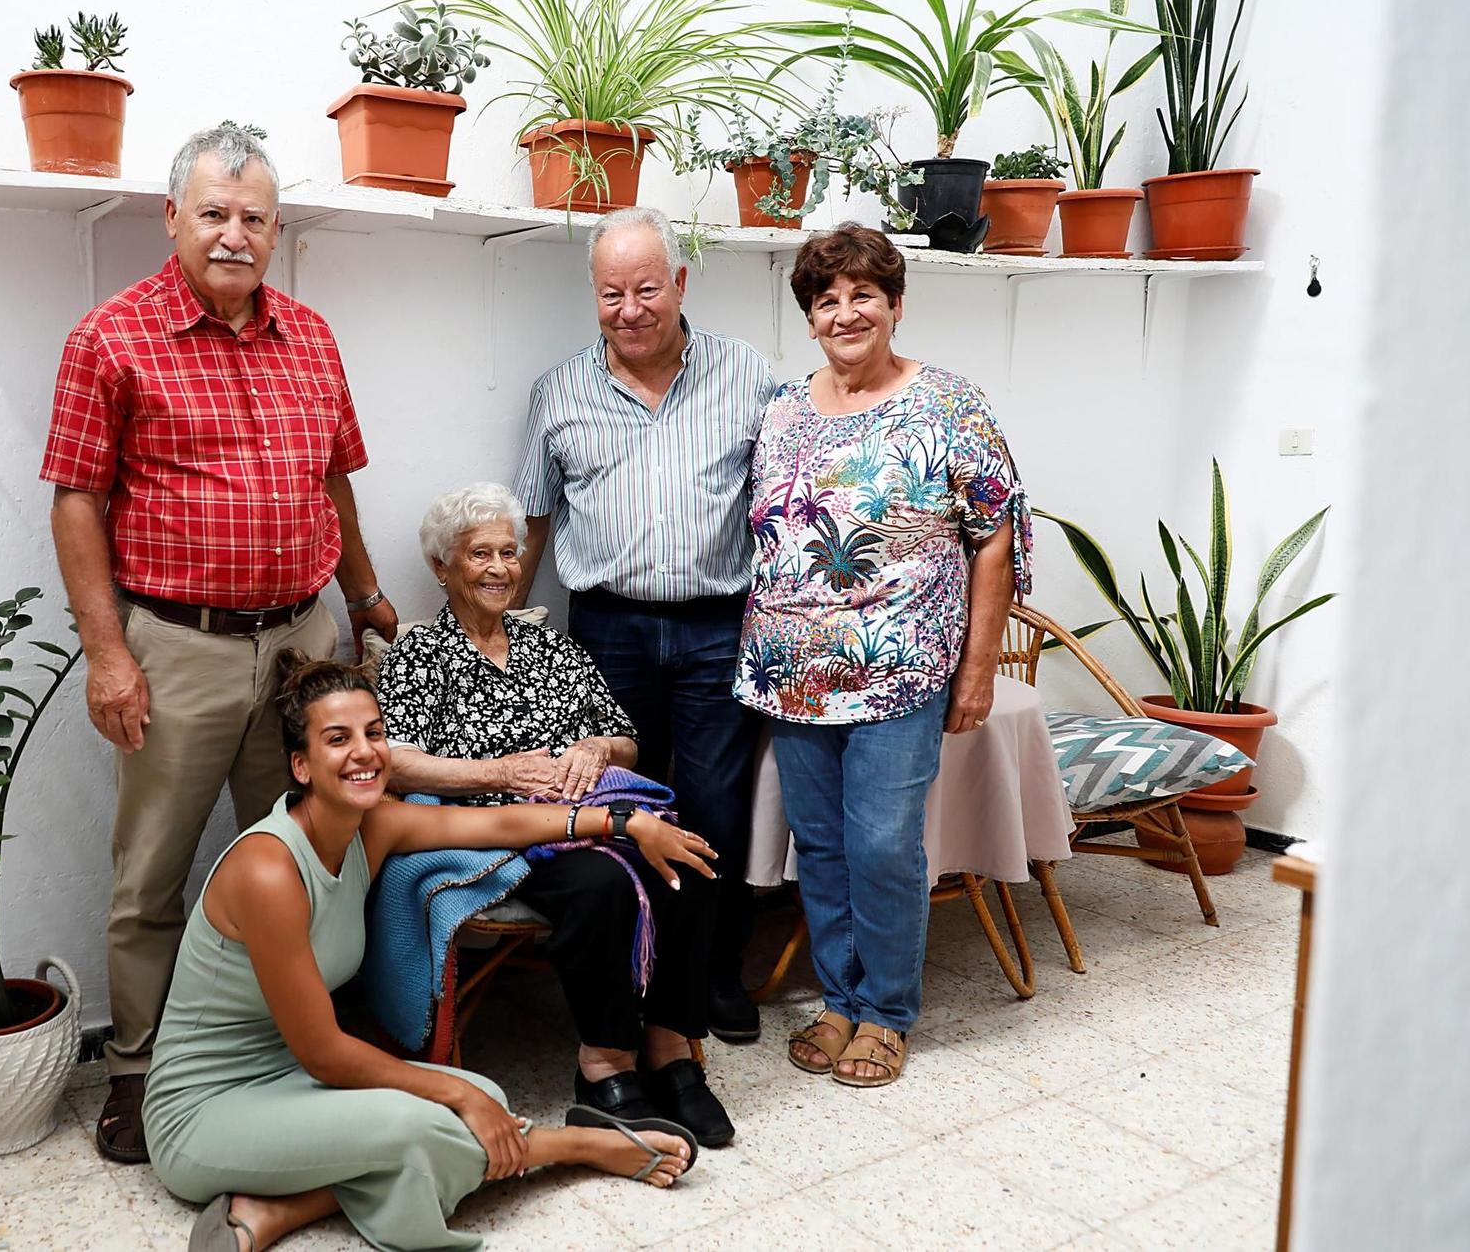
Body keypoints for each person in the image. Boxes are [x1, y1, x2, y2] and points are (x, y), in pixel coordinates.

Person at [41, 123, 400, 1163]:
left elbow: (334, 480)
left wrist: (366, 593)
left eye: (253, 218)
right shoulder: (108, 338)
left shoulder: (313, 337)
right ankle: (138, 1073)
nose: (234, 234)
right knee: (150, 877)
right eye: (213, 213)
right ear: (172, 218)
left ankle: (298, 1047)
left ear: (275, 229)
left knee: (308, 861)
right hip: (176, 647)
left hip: (303, 640)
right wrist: (108, 655)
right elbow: (76, 507)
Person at [145, 652, 716, 1251]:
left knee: (484, 1100)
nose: (364, 752)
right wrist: (458, 1092)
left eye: (375, 733)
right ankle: (573, 1146)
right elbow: (324, 1053)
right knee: (446, 1112)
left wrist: (622, 823)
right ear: (301, 765)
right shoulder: (267, 869)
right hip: (204, 1107)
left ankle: (277, 1209)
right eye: (337, 739)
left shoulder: (372, 827)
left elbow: (501, 828)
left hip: (286, 1077)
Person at [737, 223, 1031, 1087]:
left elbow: (994, 535)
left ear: (895, 305)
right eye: (826, 300)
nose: (845, 311)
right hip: (793, 673)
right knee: (820, 846)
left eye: (863, 293)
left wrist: (978, 667)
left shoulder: (948, 403)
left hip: (899, 669)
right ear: (811, 319)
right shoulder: (786, 410)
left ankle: (887, 1009)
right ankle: (839, 996)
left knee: (881, 844)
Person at [376, 482, 734, 1148]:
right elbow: (395, 761)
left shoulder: (551, 646)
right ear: (442, 566)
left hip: (592, 813)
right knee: (596, 887)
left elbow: (626, 737)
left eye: (509, 552)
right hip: (497, 832)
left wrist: (598, 747)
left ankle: (671, 1049)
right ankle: (604, 1065)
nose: (499, 567)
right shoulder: (419, 654)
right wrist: (501, 772)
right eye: (479, 553)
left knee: (693, 858)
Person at [510, 206, 777, 1045]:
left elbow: (790, 504)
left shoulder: (751, 376)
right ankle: (623, 977)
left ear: (682, 284)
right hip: (606, 632)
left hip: (715, 628)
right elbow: (533, 519)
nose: (630, 309)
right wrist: (508, 636)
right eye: (611, 293)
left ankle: (710, 976)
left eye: (647, 288)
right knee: (610, 803)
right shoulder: (558, 391)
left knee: (712, 809)